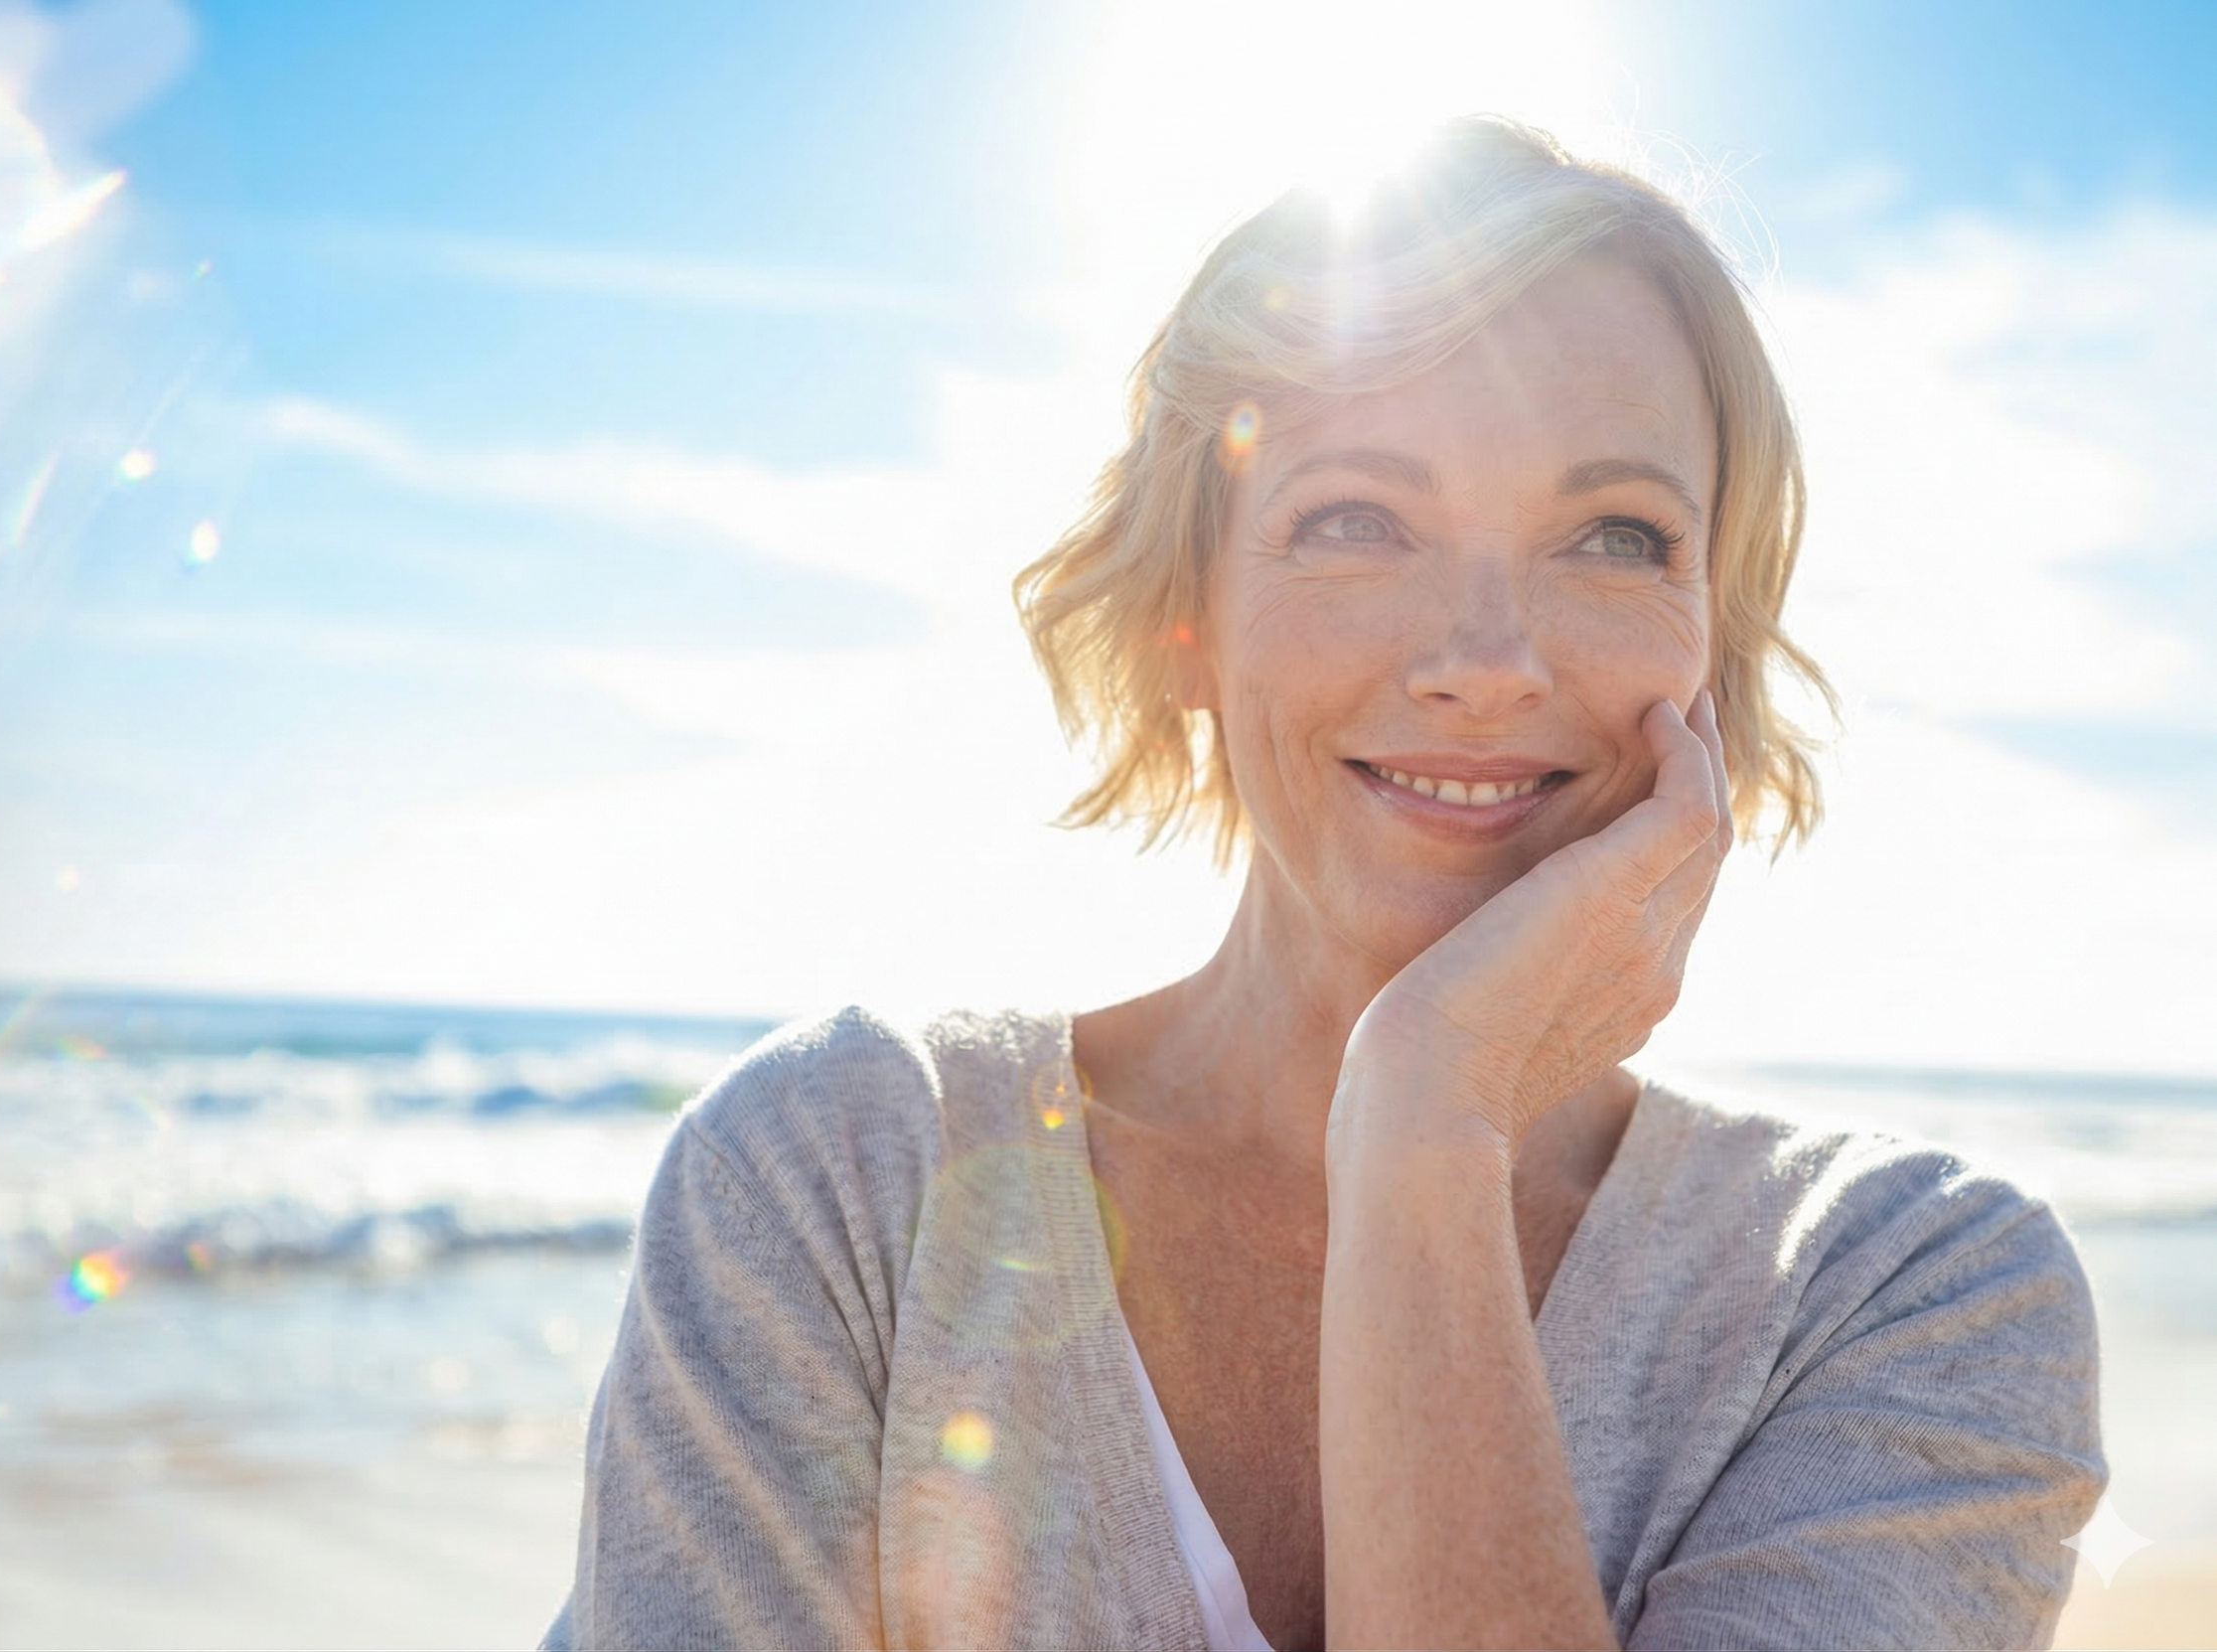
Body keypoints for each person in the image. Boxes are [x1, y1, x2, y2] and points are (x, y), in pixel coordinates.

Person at [544, 118, 2107, 1651]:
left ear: (1715, 632)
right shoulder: (839, 1176)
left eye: (1616, 535)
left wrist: (1428, 1123)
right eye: (1356, 520)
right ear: (1188, 615)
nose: (1486, 663)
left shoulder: (1912, 1292)